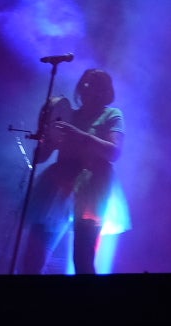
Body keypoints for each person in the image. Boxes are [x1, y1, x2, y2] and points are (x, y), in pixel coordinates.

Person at [18, 67, 124, 275]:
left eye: (94, 85)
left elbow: (114, 152)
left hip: (91, 188)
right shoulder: (67, 115)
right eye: (85, 84)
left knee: (82, 258)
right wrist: (45, 134)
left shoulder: (112, 115)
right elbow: (42, 157)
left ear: (104, 91)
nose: (88, 89)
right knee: (33, 257)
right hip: (57, 187)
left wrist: (81, 136)